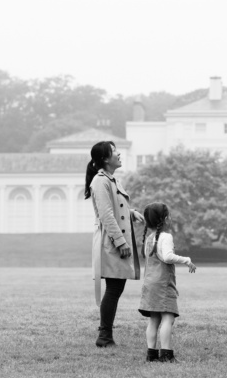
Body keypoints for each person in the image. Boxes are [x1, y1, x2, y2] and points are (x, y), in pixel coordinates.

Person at [84, 141, 145, 347]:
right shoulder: (100, 181)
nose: (119, 154)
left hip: (115, 241)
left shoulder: (110, 180)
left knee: (115, 288)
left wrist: (131, 212)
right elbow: (106, 214)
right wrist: (120, 242)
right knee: (113, 289)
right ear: (105, 159)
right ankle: (104, 336)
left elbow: (115, 208)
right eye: (114, 152)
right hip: (111, 243)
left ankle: (105, 335)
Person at [138, 202, 197, 362]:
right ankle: (166, 354)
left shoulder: (149, 238)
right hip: (162, 284)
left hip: (149, 284)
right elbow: (167, 257)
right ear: (164, 219)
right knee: (168, 318)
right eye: (168, 215)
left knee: (154, 319)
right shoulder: (166, 237)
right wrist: (187, 260)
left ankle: (151, 354)